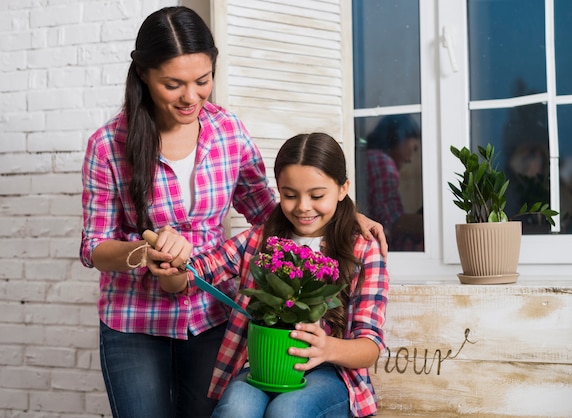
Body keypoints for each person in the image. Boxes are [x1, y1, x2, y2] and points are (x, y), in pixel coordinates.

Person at [79, 7, 386, 418]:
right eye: (174, 84)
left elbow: (271, 211)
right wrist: (141, 253)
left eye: (203, 81)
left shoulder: (227, 131)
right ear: (144, 75)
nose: (192, 97)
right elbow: (93, 247)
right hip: (134, 320)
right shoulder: (107, 146)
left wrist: (346, 215)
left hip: (212, 316)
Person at [148, 133, 389, 418]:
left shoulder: (362, 248)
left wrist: (327, 348)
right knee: (235, 411)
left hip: (328, 373)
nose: (302, 206)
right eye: (289, 195)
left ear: (342, 188)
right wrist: (171, 265)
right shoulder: (260, 240)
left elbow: (370, 345)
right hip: (259, 368)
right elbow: (192, 275)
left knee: (288, 411)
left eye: (317, 195)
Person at [366, 114, 423, 251]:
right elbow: (390, 222)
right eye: (414, 148)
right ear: (400, 137)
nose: (410, 159)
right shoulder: (382, 162)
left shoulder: (368, 157)